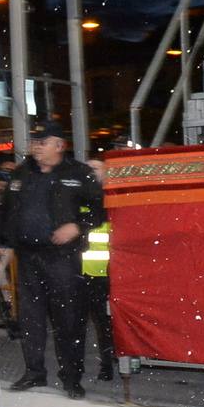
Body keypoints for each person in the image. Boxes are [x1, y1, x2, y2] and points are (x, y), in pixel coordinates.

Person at [0, 122, 105, 398]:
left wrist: (77, 225)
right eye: (35, 141)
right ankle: (35, 372)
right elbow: (1, 211)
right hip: (28, 257)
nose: (36, 146)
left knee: (69, 319)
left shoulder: (79, 173)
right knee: (31, 319)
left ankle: (72, 377)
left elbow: (99, 210)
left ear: (60, 145)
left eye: (43, 141)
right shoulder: (22, 173)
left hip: (63, 258)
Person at [81, 158, 115, 381]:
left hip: (107, 274)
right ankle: (77, 367)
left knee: (105, 323)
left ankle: (108, 364)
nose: (89, 172)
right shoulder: (78, 199)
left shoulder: (112, 201)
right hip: (79, 273)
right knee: (77, 323)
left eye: (94, 168)